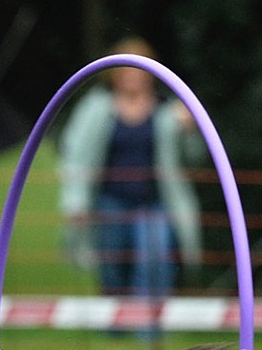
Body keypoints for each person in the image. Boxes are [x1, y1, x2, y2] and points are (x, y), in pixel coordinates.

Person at [57, 37, 203, 306]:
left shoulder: (168, 110)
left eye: (139, 70)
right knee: (112, 271)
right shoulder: (95, 108)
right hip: (109, 204)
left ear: (152, 73)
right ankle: (116, 325)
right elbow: (74, 156)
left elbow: (195, 157)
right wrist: (75, 202)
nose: (132, 77)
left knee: (156, 263)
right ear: (114, 74)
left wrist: (190, 130)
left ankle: (147, 325)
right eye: (126, 70)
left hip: (154, 204)